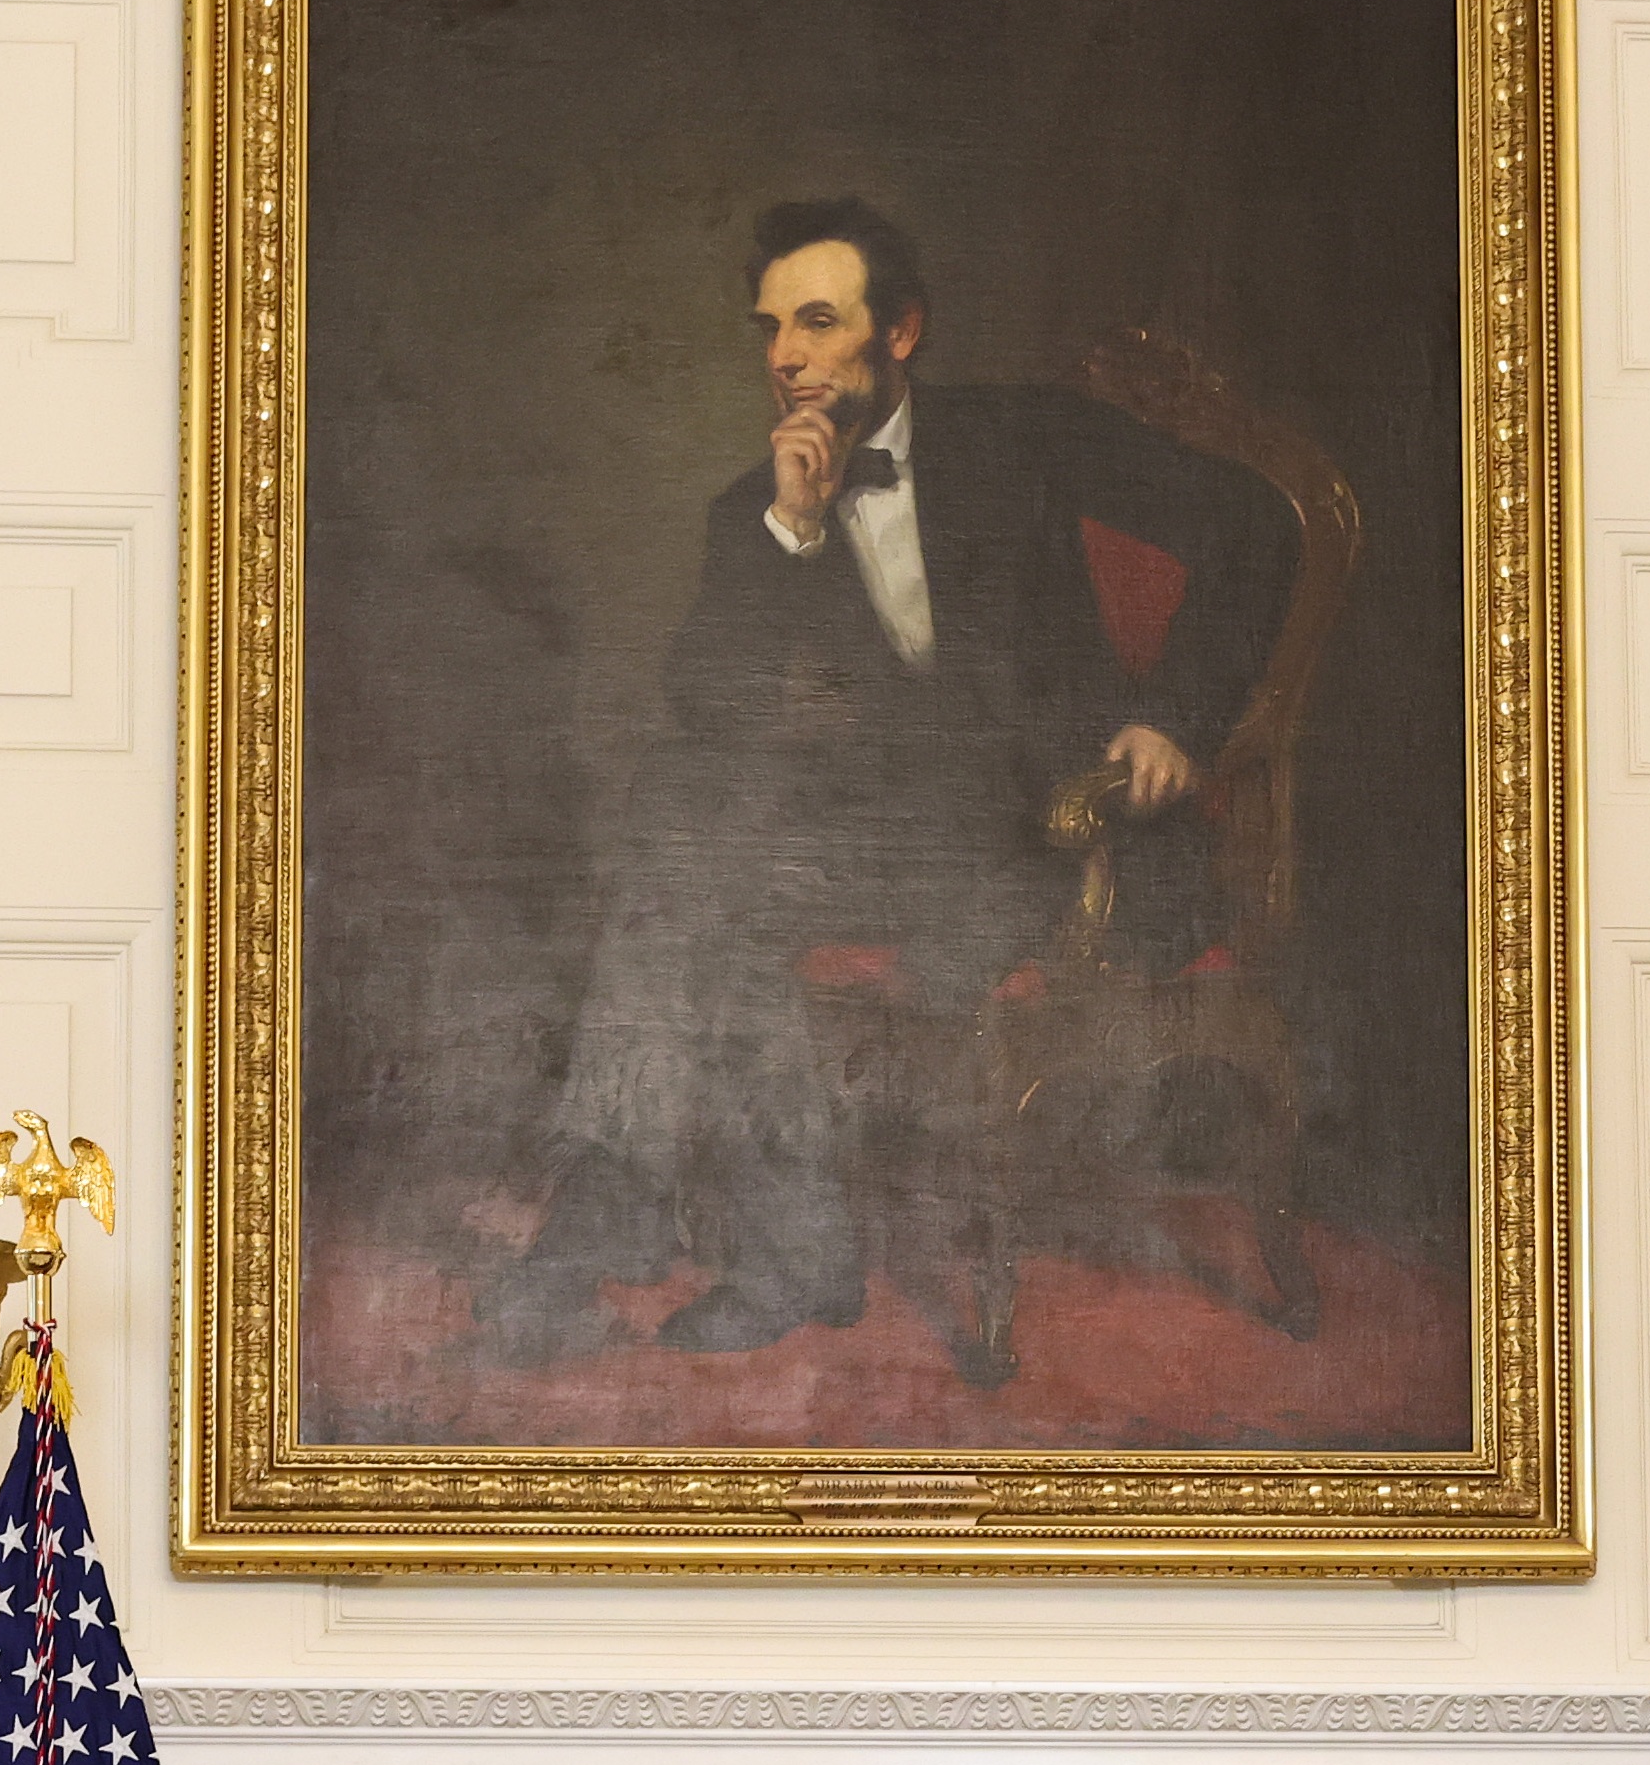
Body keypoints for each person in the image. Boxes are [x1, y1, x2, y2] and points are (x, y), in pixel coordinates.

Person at [494, 196, 1296, 1370]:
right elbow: (709, 709)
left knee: (693, 864)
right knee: (686, 839)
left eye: (819, 322)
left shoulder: (1029, 435)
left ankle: (691, 1230)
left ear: (902, 331)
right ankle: (728, 1233)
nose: (787, 358)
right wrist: (797, 534)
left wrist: (1169, 715)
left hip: (1060, 840)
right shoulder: (754, 513)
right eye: (771, 330)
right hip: (881, 849)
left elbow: (1252, 526)